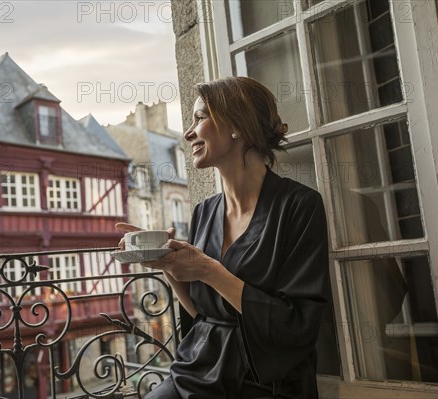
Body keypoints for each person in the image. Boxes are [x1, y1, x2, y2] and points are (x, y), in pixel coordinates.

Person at [116, 76, 329, 399]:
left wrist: (209, 270)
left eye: (200, 118)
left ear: (236, 126)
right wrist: (169, 268)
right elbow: (203, 315)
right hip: (199, 371)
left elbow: (297, 326)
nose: (188, 133)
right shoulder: (204, 211)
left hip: (265, 380)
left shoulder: (299, 207)